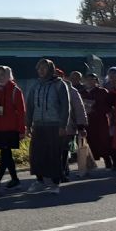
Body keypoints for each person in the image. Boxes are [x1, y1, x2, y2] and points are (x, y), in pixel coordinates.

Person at [25, 57, 72, 192]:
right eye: (39, 68)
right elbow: (30, 106)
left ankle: (55, 183)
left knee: (53, 154)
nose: (41, 70)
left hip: (54, 125)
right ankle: (39, 181)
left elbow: (65, 107)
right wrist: (28, 125)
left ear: (50, 69)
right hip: (39, 125)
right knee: (37, 154)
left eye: (44, 68)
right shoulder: (35, 85)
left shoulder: (59, 84)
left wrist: (63, 126)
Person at [0, 65, 26, 189]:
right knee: (6, 154)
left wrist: (22, 130)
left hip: (11, 127)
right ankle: (14, 179)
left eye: (3, 74)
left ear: (8, 75)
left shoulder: (15, 90)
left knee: (5, 154)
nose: (0, 77)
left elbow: (22, 112)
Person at [81, 72, 115, 174]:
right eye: (88, 79)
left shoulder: (102, 92)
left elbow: (108, 107)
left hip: (100, 121)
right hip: (87, 121)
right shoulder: (82, 93)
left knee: (103, 141)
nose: (90, 81)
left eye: (92, 79)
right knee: (87, 142)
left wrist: (95, 109)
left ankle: (108, 162)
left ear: (96, 81)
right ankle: (88, 166)